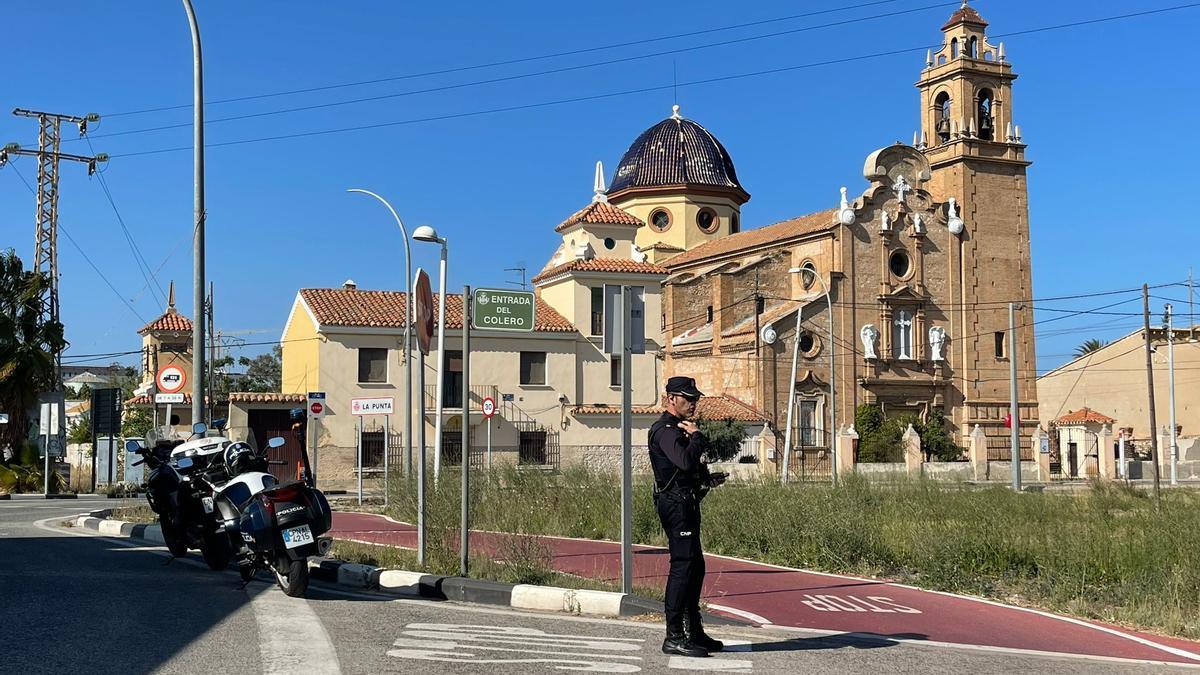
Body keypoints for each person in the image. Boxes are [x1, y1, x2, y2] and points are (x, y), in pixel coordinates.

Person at [648, 376, 727, 657]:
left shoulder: (677, 428)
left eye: (695, 399)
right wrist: (696, 437)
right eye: (687, 398)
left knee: (696, 567)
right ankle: (674, 636)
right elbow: (683, 460)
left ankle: (694, 632)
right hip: (675, 506)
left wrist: (706, 478)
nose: (693, 404)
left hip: (686, 502)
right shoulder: (665, 430)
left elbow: (684, 469)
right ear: (671, 398)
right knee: (682, 567)